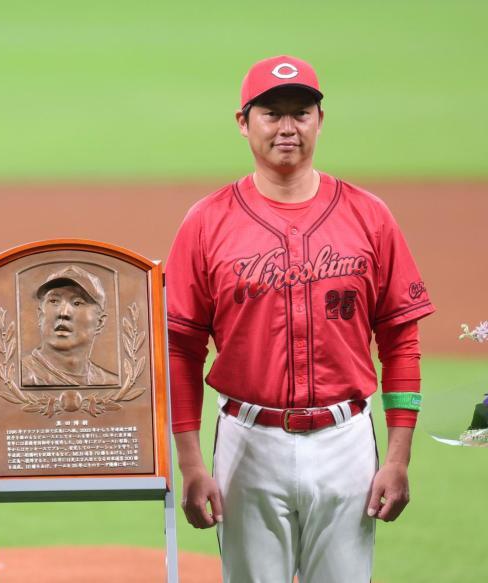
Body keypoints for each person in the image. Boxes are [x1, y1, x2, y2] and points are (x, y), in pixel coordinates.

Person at [165, 56, 433, 582]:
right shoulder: (206, 222)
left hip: (347, 441)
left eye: (301, 113)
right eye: (271, 113)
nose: (288, 127)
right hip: (247, 444)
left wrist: (398, 457)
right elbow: (180, 348)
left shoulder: (370, 216)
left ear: (319, 120)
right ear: (244, 123)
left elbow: (401, 340)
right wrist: (192, 462)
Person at [21, 265, 119, 386]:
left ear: (99, 323)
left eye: (77, 303)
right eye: (54, 301)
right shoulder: (18, 377)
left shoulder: (110, 383)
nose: (63, 313)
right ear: (40, 315)